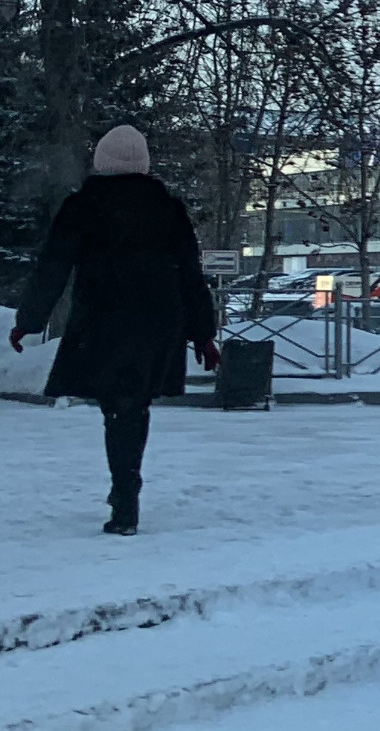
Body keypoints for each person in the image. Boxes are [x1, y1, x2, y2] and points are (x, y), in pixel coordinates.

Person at [8, 126, 221, 536]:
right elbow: (191, 276)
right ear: (143, 164)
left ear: (101, 162)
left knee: (117, 407)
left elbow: (53, 267)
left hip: (102, 323)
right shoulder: (168, 210)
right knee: (133, 406)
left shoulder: (82, 207)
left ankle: (124, 494)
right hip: (157, 324)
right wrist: (203, 334)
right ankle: (126, 491)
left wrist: (28, 321)